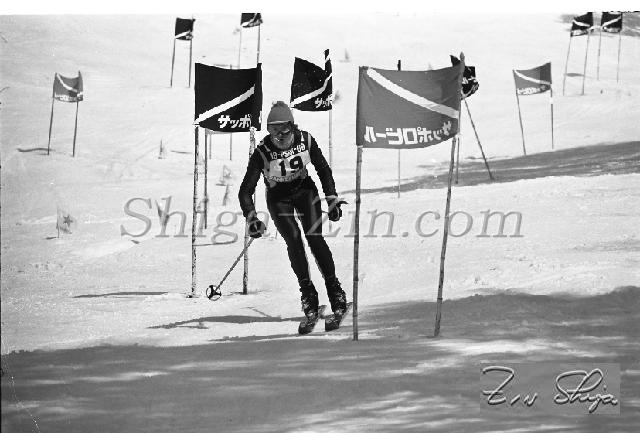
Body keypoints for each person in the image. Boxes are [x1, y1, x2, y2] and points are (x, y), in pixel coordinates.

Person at [238, 101, 347, 320]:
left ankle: (335, 291)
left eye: (284, 129)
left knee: (314, 237)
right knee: (294, 240)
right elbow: (245, 191)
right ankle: (308, 295)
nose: (279, 136)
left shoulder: (305, 140)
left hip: (304, 190)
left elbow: (323, 169)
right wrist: (252, 218)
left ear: (292, 126)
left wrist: (331, 199)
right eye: (273, 129)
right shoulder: (262, 152)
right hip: (279, 198)